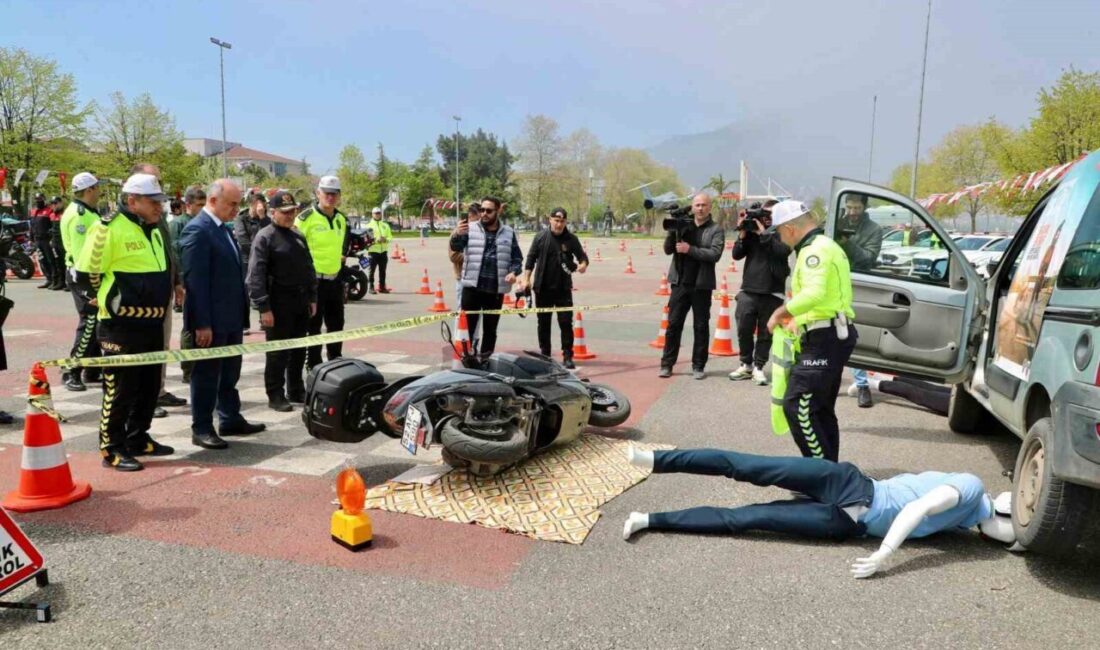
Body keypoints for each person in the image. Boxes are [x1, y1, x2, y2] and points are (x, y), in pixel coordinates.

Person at [621, 446, 1018, 579]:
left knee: (745, 519)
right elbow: (917, 507)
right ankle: (655, 459)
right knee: (744, 466)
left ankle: (649, 519)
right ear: (1003, 510)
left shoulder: (963, 526)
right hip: (849, 485)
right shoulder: (971, 487)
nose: (1006, 542)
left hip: (845, 523)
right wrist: (885, 554)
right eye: (1011, 535)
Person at [73, 173, 175, 471]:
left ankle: (137, 437)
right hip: (120, 325)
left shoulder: (154, 229)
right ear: (132, 201)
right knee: (120, 389)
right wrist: (106, 299)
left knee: (149, 385)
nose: (159, 207)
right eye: (153, 201)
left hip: (152, 322)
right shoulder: (107, 228)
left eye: (160, 201)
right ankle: (112, 447)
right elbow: (86, 273)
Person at [766, 200, 857, 462]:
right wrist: (800, 319)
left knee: (798, 407)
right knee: (819, 410)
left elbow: (814, 293)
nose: (780, 239)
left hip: (825, 339)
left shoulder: (813, 251)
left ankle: (820, 475)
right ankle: (829, 472)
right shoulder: (823, 246)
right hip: (828, 333)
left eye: (779, 232)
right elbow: (827, 297)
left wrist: (781, 313)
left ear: (790, 228)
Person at [180, 179, 266, 450]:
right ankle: (202, 427)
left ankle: (230, 417)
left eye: (238, 204)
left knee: (230, 372)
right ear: (213, 200)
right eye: (232, 204)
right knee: (206, 375)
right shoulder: (198, 230)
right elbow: (195, 283)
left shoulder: (222, 229)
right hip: (210, 321)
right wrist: (201, 323)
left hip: (230, 318)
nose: (236, 209)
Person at [246, 191, 317, 412]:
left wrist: (312, 297)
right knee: (277, 353)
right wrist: (263, 307)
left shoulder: (298, 235)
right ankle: (275, 393)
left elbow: (308, 268)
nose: (289, 215)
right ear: (273, 212)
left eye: (292, 211)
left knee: (298, 350)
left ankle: (296, 389)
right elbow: (256, 275)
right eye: (284, 212)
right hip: (277, 303)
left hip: (300, 301)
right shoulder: (265, 237)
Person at [127, 162, 183, 415]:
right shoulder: (123, 223)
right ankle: (142, 398)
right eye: (152, 181)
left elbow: (168, 250)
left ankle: (157, 391)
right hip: (135, 301)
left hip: (161, 294)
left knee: (161, 345)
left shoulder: (157, 217)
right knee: (140, 351)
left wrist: (176, 281)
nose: (157, 186)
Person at [659, 193, 725, 380]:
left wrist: (690, 249)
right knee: (673, 325)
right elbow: (668, 250)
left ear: (710, 207)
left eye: (704, 205)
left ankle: (698, 365)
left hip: (702, 285)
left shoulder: (715, 229)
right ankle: (667, 364)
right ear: (692, 207)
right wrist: (673, 231)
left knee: (701, 326)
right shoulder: (683, 225)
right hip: (680, 283)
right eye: (697, 205)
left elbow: (714, 254)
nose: (700, 208)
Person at [450, 196, 523, 356]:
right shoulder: (470, 228)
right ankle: (467, 359)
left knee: (490, 330)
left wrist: (513, 272)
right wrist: (457, 234)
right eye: (482, 210)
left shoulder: (509, 233)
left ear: (498, 211)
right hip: (472, 288)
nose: (484, 213)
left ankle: (485, 360)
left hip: (494, 290)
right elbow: (456, 247)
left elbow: (517, 258)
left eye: (489, 211)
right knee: (467, 328)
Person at [728, 200, 789, 385]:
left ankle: (759, 367)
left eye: (771, 214)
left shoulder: (784, 232)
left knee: (765, 332)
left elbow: (782, 252)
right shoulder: (752, 232)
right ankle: (746, 364)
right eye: (765, 214)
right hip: (749, 289)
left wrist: (763, 233)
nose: (767, 218)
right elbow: (736, 254)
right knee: (743, 328)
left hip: (773, 291)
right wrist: (742, 233)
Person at [521, 207, 588, 368]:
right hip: (542, 288)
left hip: (563, 289)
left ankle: (567, 355)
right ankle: (545, 355)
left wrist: (583, 266)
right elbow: (530, 259)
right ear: (550, 220)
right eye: (556, 221)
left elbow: (583, 258)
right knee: (543, 323)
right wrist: (526, 279)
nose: (559, 224)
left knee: (565, 323)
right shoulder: (540, 237)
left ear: (566, 222)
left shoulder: (571, 239)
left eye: (562, 221)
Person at [835, 193, 883, 408]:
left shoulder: (874, 230)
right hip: (833, 284)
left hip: (858, 286)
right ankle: (830, 382)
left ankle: (862, 385)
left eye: (857, 208)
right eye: (849, 207)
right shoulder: (836, 222)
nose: (852, 212)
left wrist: (847, 242)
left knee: (855, 337)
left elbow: (868, 258)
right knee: (830, 336)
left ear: (865, 207)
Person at [59, 172, 106, 392]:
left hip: (91, 275)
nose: (100, 192)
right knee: (89, 322)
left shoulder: (88, 211)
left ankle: (92, 369)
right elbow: (81, 255)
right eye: (97, 187)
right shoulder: (79, 215)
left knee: (96, 321)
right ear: (89, 190)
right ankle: (71, 370)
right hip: (84, 276)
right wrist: (91, 286)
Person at [296, 175, 348, 369]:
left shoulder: (341, 219)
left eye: (334, 194)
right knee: (314, 326)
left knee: (337, 324)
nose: (330, 197)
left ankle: (335, 362)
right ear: (318, 193)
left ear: (339, 196)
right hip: (314, 282)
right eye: (327, 193)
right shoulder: (306, 218)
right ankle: (314, 364)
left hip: (335, 280)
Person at [170, 185, 205, 383]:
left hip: (203, 280)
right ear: (188, 204)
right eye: (199, 204)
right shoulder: (178, 224)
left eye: (204, 204)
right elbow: (175, 254)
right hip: (188, 281)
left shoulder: (205, 222)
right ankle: (188, 369)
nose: (202, 208)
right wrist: (180, 282)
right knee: (189, 326)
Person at [449, 203, 482, 304]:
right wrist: (475, 256)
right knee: (463, 310)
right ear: (470, 216)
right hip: (463, 278)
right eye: (478, 218)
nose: (480, 221)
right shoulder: (458, 232)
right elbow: (453, 256)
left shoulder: (481, 232)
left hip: (481, 279)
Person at [30, 193, 60, 290]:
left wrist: (52, 237)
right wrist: (31, 238)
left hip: (47, 240)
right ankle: (48, 279)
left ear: (44, 200)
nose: (38, 201)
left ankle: (55, 280)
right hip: (37, 240)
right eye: (36, 199)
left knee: (51, 260)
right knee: (42, 260)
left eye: (40, 199)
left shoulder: (49, 210)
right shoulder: (34, 211)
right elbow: (32, 226)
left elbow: (53, 225)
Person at [364, 206, 392, 294]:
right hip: (373, 252)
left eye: (379, 213)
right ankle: (371, 287)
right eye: (376, 213)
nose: (377, 215)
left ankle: (382, 287)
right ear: (372, 214)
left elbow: (390, 237)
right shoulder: (368, 226)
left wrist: (386, 239)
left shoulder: (385, 225)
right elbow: (367, 239)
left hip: (383, 252)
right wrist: (377, 240)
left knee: (383, 271)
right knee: (371, 271)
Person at [49, 196, 67, 290]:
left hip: (64, 242)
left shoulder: (66, 214)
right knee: (58, 262)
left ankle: (69, 282)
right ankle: (61, 282)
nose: (54, 205)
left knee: (66, 263)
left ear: (61, 203)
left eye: (55, 203)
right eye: (52, 204)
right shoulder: (52, 215)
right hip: (55, 242)